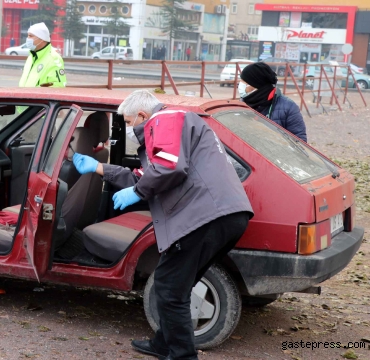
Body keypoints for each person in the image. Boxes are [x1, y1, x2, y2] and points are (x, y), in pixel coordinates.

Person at [72, 90, 253, 360]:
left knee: (169, 288)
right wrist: (99, 168)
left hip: (203, 217)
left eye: (130, 121)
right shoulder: (176, 128)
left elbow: (168, 170)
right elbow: (147, 175)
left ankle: (181, 355)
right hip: (223, 215)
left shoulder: (165, 119)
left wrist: (137, 193)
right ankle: (164, 344)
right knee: (177, 285)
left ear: (143, 115)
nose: (130, 129)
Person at [238, 62, 307, 142]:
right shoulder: (241, 105)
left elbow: (300, 143)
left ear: (256, 85)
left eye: (244, 82)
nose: (239, 86)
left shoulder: (289, 108)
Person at [18, 22, 67, 88]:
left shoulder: (54, 58)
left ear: (42, 39)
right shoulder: (31, 57)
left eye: (31, 36)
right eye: (28, 35)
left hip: (37, 98)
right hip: (24, 97)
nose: (27, 39)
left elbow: (58, 86)